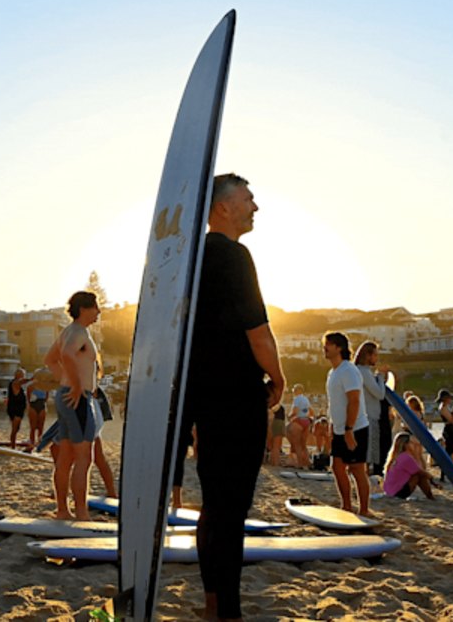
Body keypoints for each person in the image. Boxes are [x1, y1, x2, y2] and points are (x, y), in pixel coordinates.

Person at [183, 173, 285, 621]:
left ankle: (212, 604)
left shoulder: (194, 258)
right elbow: (257, 330)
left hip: (204, 395)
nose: (255, 207)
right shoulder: (233, 254)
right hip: (237, 397)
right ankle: (228, 612)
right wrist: (278, 378)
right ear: (223, 207)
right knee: (231, 509)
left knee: (213, 506)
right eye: (248, 198)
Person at [43, 291, 103, 520]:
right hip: (76, 398)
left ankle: (63, 510)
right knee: (84, 458)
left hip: (68, 395)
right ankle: (80, 513)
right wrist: (76, 386)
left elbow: (50, 360)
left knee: (66, 456)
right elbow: (66, 354)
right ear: (84, 309)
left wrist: (65, 382)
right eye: (95, 307)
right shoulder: (78, 332)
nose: (98, 312)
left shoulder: (69, 332)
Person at [323, 331, 372, 516]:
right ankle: (346, 506)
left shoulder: (349, 370)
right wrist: (331, 425)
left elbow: (354, 401)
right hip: (339, 429)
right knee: (337, 467)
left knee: (357, 469)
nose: (324, 348)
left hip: (355, 427)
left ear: (339, 347)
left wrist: (349, 429)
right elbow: (334, 402)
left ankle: (365, 510)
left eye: (328, 344)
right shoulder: (332, 372)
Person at [353, 341, 389, 476]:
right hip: (370, 417)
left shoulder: (356, 371)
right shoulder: (364, 372)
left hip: (361, 416)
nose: (377, 358)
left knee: (363, 456)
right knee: (367, 457)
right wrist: (380, 376)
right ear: (368, 355)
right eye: (375, 355)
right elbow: (379, 394)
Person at [383, 433, 439, 500]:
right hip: (397, 493)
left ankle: (430, 497)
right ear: (405, 445)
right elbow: (421, 472)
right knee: (419, 476)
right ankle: (431, 497)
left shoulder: (396, 456)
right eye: (411, 443)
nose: (414, 445)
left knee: (418, 474)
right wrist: (434, 481)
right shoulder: (406, 457)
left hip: (389, 491)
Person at [284, 384, 312, 469]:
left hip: (298, 421)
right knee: (303, 444)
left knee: (297, 444)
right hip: (306, 421)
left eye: (294, 391)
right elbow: (311, 412)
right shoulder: (306, 399)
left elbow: (295, 412)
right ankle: (307, 463)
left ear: (297, 391)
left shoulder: (297, 399)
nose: (293, 392)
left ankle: (299, 463)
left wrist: (289, 416)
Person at [435, 389, 453, 467]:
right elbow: (452, 421)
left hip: (451, 429)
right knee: (451, 450)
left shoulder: (445, 406)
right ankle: (451, 466)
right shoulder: (443, 407)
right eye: (449, 398)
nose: (450, 399)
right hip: (450, 430)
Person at [5, 369, 29, 449]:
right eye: (23, 374)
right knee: (15, 429)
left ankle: (13, 444)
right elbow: (21, 382)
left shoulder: (16, 384)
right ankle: (13, 446)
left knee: (16, 428)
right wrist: (32, 379)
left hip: (17, 409)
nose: (24, 376)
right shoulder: (15, 383)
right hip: (15, 409)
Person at [26, 381, 49, 448]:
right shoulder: (30, 386)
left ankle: (39, 443)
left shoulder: (46, 386)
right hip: (33, 404)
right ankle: (32, 443)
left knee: (40, 427)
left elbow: (46, 397)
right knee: (33, 427)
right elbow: (28, 397)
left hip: (41, 404)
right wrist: (29, 406)